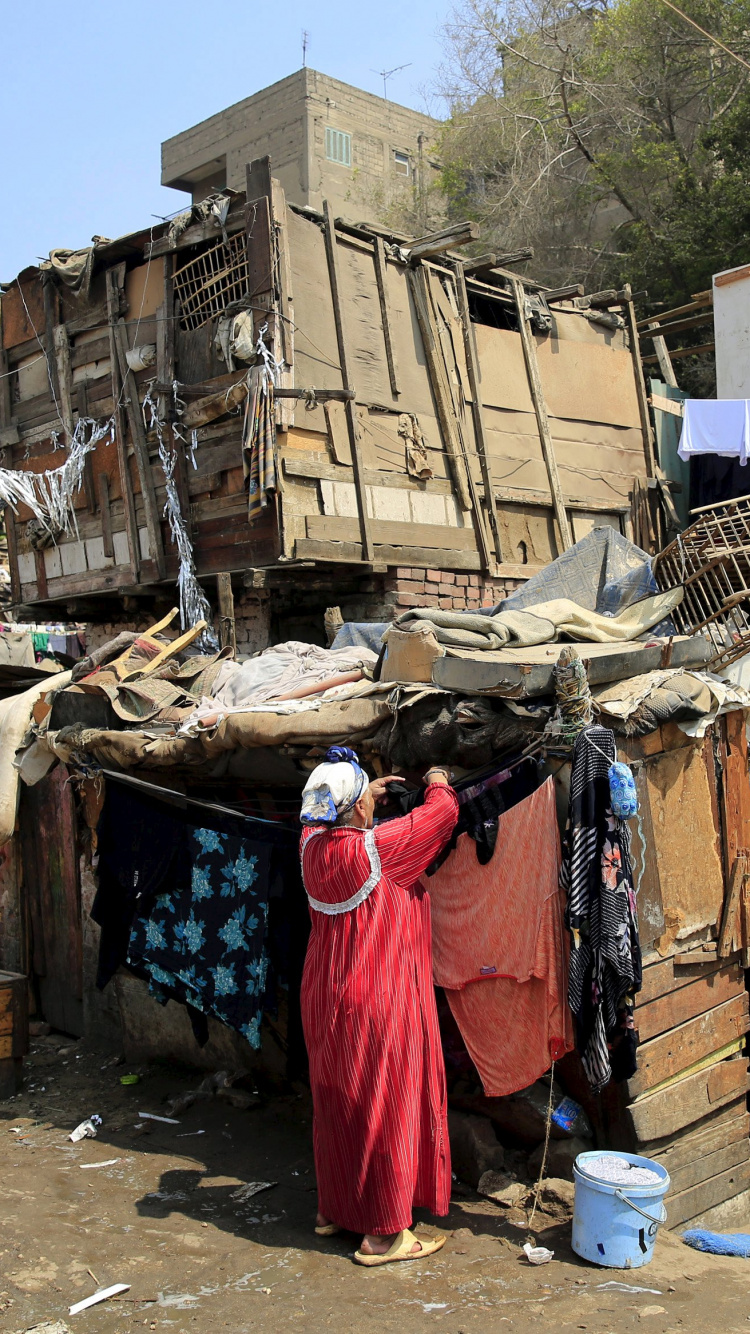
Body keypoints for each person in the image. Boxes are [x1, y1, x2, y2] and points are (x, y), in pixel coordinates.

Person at [299, 745, 458, 1267]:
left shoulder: (309, 847)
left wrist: (361, 794)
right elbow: (442, 814)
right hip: (377, 996)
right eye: (364, 794)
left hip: (325, 995)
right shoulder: (379, 850)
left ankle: (334, 1211)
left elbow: (333, 817)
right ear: (359, 809)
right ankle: (386, 1234)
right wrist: (436, 775)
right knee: (384, 1108)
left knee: (338, 1105)